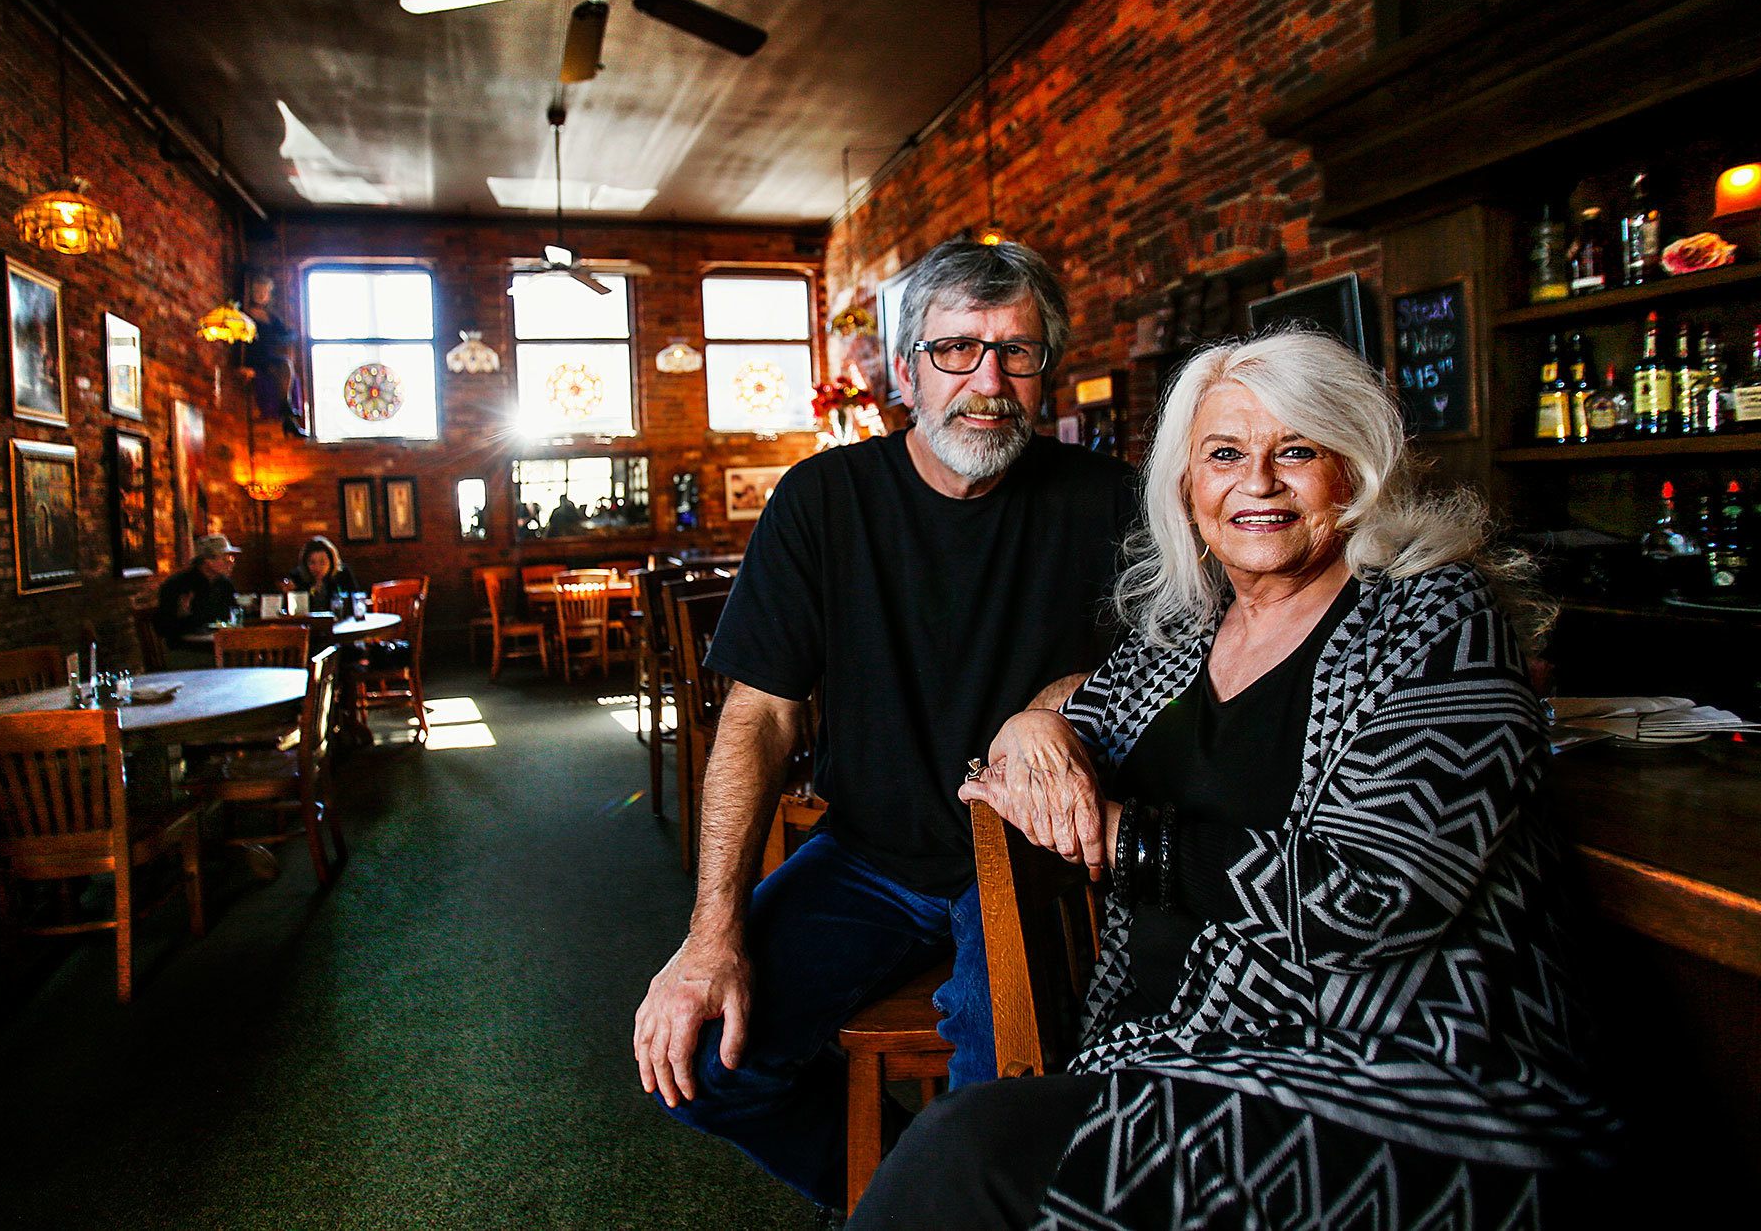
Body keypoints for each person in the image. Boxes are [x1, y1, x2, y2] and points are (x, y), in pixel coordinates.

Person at [850, 330, 1615, 1229]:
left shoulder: (1433, 617)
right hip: (1169, 1051)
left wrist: (1117, 834)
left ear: (1357, 471)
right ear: (1187, 486)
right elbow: (1045, 744)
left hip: (1400, 1071)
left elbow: (1374, 898)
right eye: (1223, 454)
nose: (1256, 481)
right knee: (962, 1150)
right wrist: (1032, 722)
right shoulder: (1184, 636)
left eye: (1295, 450)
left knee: (962, 1157)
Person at [632, 239, 1139, 1214]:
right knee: (695, 1056)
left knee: (1008, 1101)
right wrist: (708, 936)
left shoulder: (1107, 500)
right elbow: (762, 714)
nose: (986, 382)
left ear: (1046, 371)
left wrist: (1053, 699)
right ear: (903, 371)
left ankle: (958, 1190)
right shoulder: (824, 498)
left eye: (1016, 353)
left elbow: (1165, 667)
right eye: (955, 349)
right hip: (866, 856)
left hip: (1028, 853)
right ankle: (911, 1198)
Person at [156, 533, 242, 656]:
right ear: (208, 560)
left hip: (221, 647)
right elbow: (164, 628)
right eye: (225, 558)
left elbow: (232, 613)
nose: (231, 563)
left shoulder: (224, 584)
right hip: (188, 651)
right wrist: (183, 614)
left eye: (231, 558)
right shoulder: (178, 584)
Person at [284, 535, 359, 613]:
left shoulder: (343, 575)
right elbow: (289, 611)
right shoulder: (297, 578)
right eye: (312, 562)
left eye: (322, 562)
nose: (317, 568)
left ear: (331, 562)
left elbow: (355, 602)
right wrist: (288, 593)